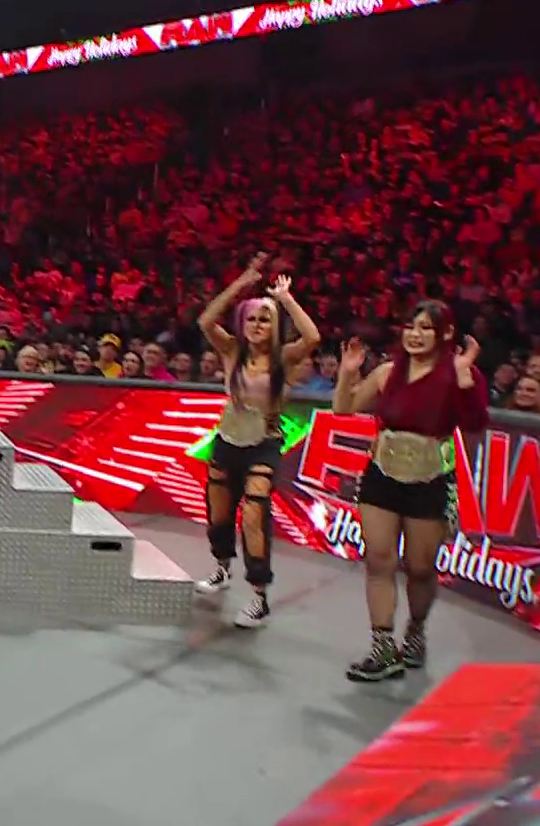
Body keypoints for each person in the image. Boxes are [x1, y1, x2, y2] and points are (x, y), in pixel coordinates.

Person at [332, 301, 488, 682]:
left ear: (445, 334)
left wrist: (464, 378)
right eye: (411, 326)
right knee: (379, 560)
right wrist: (348, 372)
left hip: (429, 480)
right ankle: (383, 648)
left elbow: (474, 424)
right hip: (381, 476)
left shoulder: (458, 372)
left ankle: (415, 631)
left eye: (425, 328)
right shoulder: (388, 372)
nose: (415, 335)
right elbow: (343, 408)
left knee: (420, 568)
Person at [192, 255, 322, 629]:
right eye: (251, 318)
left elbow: (313, 337)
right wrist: (241, 284)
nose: (257, 325)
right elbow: (205, 321)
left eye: (265, 319)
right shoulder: (232, 350)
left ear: (275, 324)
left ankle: (259, 596)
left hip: (263, 444)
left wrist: (285, 298)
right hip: (227, 440)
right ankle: (221, 567)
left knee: (254, 512)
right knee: (219, 513)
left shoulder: (285, 357)